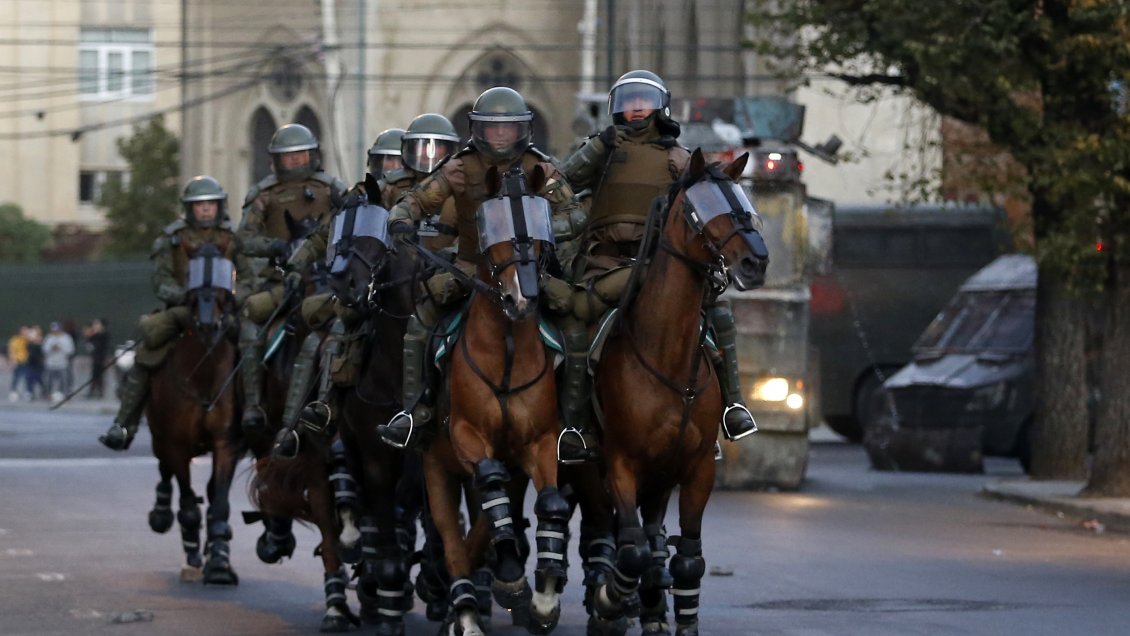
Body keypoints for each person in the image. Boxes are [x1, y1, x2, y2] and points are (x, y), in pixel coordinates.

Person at [559, 69, 758, 458]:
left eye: (644, 102)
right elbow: (564, 180)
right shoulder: (601, 150)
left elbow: (706, 206)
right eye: (629, 102)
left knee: (718, 313)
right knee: (573, 323)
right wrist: (598, 146)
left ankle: (731, 408)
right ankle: (576, 425)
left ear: (660, 107)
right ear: (617, 108)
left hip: (660, 267)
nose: (636, 110)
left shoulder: (679, 158)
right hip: (605, 263)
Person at [375, 86, 587, 450]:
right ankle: (414, 412)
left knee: (574, 326)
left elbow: (576, 214)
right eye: (493, 128)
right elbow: (419, 198)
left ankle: (571, 427)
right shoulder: (460, 167)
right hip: (469, 269)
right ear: (478, 130)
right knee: (421, 322)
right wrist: (401, 218)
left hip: (529, 271)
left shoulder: (542, 168)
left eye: (509, 127)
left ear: (523, 129)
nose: (501, 135)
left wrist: (547, 231)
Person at [99, 176, 252, 451]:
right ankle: (124, 424)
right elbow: (162, 281)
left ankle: (256, 416)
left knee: (253, 343)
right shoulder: (172, 238)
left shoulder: (233, 238)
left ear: (219, 206)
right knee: (149, 345)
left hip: (223, 308)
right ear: (189, 208)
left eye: (210, 204)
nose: (205, 210)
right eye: (199, 205)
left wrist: (231, 297)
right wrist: (183, 297)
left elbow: (248, 279)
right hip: (184, 308)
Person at [236, 123, 347, 434]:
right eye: (290, 157)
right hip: (280, 283)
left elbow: (354, 222)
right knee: (248, 318)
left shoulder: (334, 188)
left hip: (328, 282)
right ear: (277, 160)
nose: (297, 162)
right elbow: (244, 239)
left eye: (302, 155)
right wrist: (275, 246)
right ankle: (254, 404)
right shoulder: (264, 195)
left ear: (313, 155)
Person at [43, 322, 74, 401]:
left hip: (62, 363)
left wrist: (61, 348)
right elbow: (44, 349)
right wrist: (51, 348)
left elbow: (70, 350)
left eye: (57, 330)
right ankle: (48, 395)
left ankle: (65, 395)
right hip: (50, 363)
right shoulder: (49, 337)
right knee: (49, 380)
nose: (55, 332)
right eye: (53, 330)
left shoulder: (66, 338)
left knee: (64, 380)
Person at [84, 318, 110, 399]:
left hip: (101, 358)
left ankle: (100, 391)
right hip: (95, 358)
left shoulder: (104, 335)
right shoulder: (93, 336)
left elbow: (101, 346)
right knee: (94, 374)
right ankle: (92, 390)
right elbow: (89, 345)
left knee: (100, 375)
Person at [7, 326, 29, 402]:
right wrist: (13, 360)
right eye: (23, 331)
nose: (25, 333)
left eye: (26, 331)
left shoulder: (28, 340)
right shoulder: (15, 339)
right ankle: (13, 392)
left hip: (27, 361)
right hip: (18, 361)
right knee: (16, 377)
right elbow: (11, 350)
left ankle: (28, 392)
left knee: (27, 378)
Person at [24, 325, 44, 400]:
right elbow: (28, 349)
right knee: (30, 378)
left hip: (39, 364)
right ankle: (30, 393)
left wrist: (38, 342)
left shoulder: (41, 341)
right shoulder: (30, 342)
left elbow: (42, 351)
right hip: (31, 363)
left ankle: (44, 393)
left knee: (40, 379)